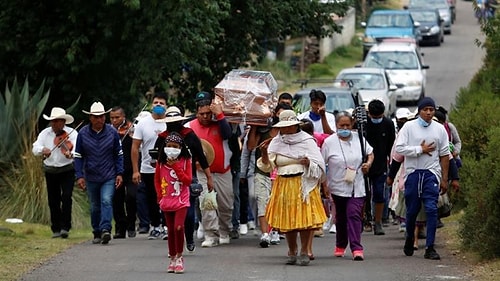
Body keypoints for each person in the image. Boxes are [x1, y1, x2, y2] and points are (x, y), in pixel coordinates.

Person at [258, 110, 327, 266]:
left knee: (305, 220)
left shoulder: (307, 141)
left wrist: (309, 163)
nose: (287, 130)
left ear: (296, 125)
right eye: (284, 127)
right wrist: (264, 153)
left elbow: (319, 164)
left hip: (303, 184)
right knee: (288, 220)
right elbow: (268, 166)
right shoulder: (276, 142)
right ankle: (292, 250)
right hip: (284, 184)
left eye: (290, 126)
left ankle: (304, 250)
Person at [152, 105, 214, 253]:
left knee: (189, 211)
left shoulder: (190, 135)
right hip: (168, 180)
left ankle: (189, 237)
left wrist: (209, 177)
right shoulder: (162, 138)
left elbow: (201, 157)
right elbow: (156, 158)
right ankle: (174, 247)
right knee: (170, 214)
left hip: (188, 177)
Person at [395, 97, 450, 260]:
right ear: (419, 111)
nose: (428, 113)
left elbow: (445, 154)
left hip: (431, 173)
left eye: (431, 110)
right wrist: (420, 149)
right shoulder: (409, 127)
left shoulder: (439, 129)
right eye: (425, 109)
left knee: (431, 210)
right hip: (413, 173)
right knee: (412, 210)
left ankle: (430, 247)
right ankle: (410, 238)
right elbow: (399, 148)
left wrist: (444, 178)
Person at [321, 111, 374, 261]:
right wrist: (323, 184)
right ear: (336, 126)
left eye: (347, 125)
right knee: (341, 217)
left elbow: (370, 153)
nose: (345, 128)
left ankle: (357, 248)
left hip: (357, 185)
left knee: (354, 214)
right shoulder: (329, 142)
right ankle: (340, 245)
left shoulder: (359, 138)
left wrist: (367, 164)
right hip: (338, 186)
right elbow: (321, 163)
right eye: (341, 125)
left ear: (352, 125)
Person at [186, 95, 233, 247]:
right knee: (206, 203)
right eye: (202, 114)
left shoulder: (220, 122)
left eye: (208, 113)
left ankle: (225, 231)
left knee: (226, 204)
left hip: (222, 170)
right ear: (196, 112)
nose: (205, 117)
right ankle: (210, 234)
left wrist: (219, 115)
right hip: (202, 172)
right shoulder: (189, 127)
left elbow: (228, 135)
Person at [74, 102, 124, 245]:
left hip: (109, 174)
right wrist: (80, 176)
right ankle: (96, 231)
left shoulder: (112, 132)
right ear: (90, 118)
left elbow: (118, 154)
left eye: (101, 116)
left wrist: (119, 173)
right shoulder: (83, 133)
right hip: (91, 175)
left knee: (106, 200)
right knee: (95, 205)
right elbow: (78, 156)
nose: (99, 120)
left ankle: (105, 229)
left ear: (104, 117)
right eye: (95, 117)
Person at [32, 107, 78, 238]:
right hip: (51, 170)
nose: (54, 124)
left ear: (63, 122)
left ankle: (65, 227)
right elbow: (35, 148)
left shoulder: (72, 133)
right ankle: (56, 228)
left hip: (67, 169)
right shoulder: (45, 133)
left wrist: (71, 154)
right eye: (53, 121)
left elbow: (78, 148)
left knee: (66, 197)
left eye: (57, 121)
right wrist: (43, 149)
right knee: (53, 200)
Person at [131, 92, 168, 240]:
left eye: (161, 103)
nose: (158, 106)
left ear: (166, 106)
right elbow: (135, 147)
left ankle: (166, 226)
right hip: (148, 168)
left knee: (166, 196)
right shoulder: (143, 123)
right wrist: (135, 170)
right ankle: (155, 226)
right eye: (156, 103)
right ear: (152, 105)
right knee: (153, 198)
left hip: (167, 167)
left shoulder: (170, 122)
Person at [155, 132, 192, 274]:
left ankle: (179, 256)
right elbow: (157, 180)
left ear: (180, 148)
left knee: (178, 227)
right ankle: (172, 257)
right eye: (169, 146)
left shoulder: (185, 161)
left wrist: (176, 167)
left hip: (181, 200)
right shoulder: (160, 163)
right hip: (167, 200)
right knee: (170, 230)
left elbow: (187, 181)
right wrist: (160, 196)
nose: (171, 149)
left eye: (175, 146)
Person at [365, 99, 396, 235]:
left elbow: (392, 146)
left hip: (381, 164)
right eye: (374, 117)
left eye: (379, 117)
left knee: (379, 193)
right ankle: (365, 220)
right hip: (364, 165)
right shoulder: (363, 124)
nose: (376, 119)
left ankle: (378, 222)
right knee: (364, 194)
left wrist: (392, 165)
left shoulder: (388, 124)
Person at [109, 106, 139, 238]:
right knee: (117, 199)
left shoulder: (132, 129)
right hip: (115, 170)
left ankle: (131, 224)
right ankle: (120, 228)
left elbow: (138, 148)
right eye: (112, 118)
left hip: (130, 169)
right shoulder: (108, 131)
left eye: (117, 117)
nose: (115, 120)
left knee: (131, 196)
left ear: (124, 117)